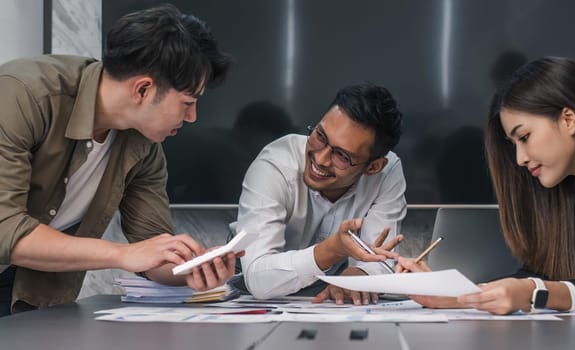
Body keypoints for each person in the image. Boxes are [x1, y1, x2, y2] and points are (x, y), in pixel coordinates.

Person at [0, 4, 235, 316]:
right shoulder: (24, 95)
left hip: (29, 290)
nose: (192, 117)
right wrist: (122, 254)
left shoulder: (144, 146)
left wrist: (191, 269)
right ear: (143, 89)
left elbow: (151, 251)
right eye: (187, 103)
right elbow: (4, 227)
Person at [398, 56, 575, 315]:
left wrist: (531, 292)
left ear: (568, 118)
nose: (520, 159)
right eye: (514, 144)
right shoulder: (567, 184)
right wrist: (457, 296)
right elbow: (542, 274)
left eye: (524, 137)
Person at [231, 83, 406, 305]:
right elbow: (257, 278)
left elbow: (381, 257)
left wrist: (360, 276)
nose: (320, 159)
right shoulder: (275, 164)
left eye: (341, 155)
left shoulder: (387, 173)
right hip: (251, 294)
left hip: (329, 298)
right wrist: (332, 250)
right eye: (320, 136)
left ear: (373, 167)